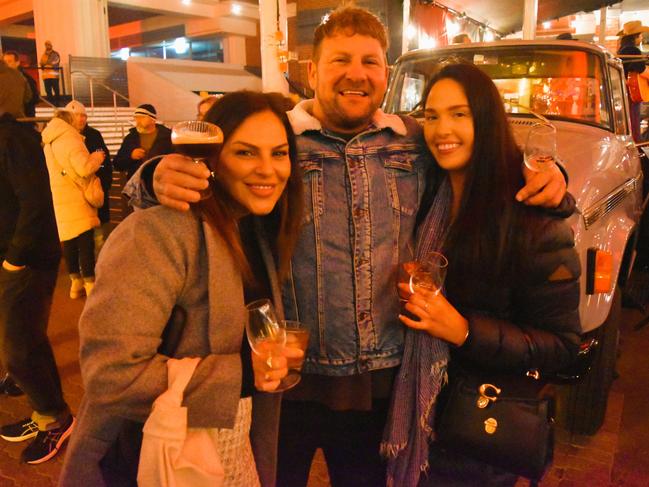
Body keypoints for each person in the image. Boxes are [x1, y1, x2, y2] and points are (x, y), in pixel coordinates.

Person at [126, 7, 569, 486]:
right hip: (285, 384)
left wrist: (550, 178)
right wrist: (155, 175)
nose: (355, 73)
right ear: (313, 71)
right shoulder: (280, 142)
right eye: (340, 60)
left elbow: (484, 155)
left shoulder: (415, 144)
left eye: (370, 61)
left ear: (386, 72)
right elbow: (214, 170)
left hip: (383, 387)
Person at [59, 90, 305, 487]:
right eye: (245, 153)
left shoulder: (257, 231)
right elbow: (110, 373)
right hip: (150, 459)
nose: (268, 170)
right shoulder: (159, 233)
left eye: (279, 153)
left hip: (227, 453)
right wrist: (243, 371)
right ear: (212, 159)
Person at [383, 62, 581, 487]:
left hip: (479, 426)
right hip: (416, 416)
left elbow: (563, 346)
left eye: (459, 114)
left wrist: (464, 331)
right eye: (432, 116)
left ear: (488, 121)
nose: (441, 130)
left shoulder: (532, 219)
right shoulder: (424, 194)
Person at [0, 67, 74, 465]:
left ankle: (57, 420)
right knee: (27, 341)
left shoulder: (13, 138)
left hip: (28, 261)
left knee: (18, 349)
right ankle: (44, 411)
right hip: (17, 257)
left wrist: (14, 259)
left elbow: (35, 205)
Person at [42, 109, 105, 298]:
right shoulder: (70, 138)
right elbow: (84, 168)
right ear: (69, 120)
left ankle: (75, 283)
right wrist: (97, 157)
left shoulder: (48, 142)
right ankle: (89, 284)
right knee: (85, 242)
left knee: (69, 242)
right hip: (77, 197)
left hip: (60, 197)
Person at [65, 100, 113, 249]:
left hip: (95, 191)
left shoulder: (94, 135)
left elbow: (104, 160)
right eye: (77, 115)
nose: (81, 119)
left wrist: (104, 184)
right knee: (79, 236)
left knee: (99, 235)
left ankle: (98, 264)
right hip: (74, 194)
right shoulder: (65, 138)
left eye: (84, 115)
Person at [113, 104, 173, 180]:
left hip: (162, 182)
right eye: (136, 118)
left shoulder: (168, 137)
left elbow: (177, 160)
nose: (138, 121)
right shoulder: (130, 138)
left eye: (141, 118)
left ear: (152, 119)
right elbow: (117, 164)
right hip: (137, 184)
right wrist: (131, 156)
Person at [617, 21, 649, 142]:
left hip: (625, 92)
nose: (641, 38)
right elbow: (642, 70)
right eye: (640, 35)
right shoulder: (632, 50)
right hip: (632, 93)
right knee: (634, 122)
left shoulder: (622, 49)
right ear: (635, 36)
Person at [3, 51, 38, 117]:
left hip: (22, 117)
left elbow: (33, 98)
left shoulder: (26, 79)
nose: (6, 64)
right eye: (4, 62)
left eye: (9, 61)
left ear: (17, 63)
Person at [39, 40, 60, 106]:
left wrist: (46, 64)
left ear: (51, 45)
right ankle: (50, 104)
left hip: (54, 76)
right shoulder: (43, 55)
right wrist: (45, 64)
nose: (47, 46)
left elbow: (55, 62)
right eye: (46, 45)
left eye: (48, 44)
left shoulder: (55, 54)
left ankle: (57, 103)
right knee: (48, 91)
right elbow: (41, 63)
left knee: (56, 90)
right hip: (46, 76)